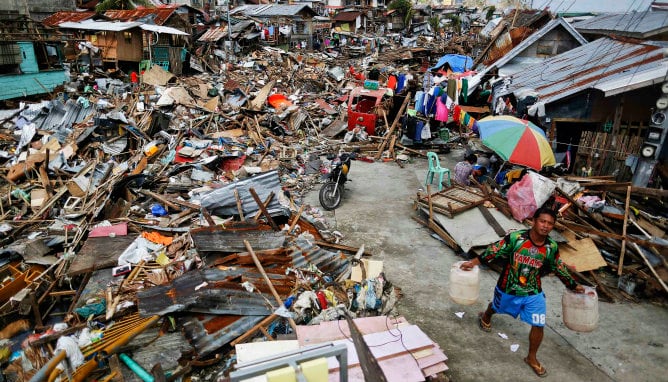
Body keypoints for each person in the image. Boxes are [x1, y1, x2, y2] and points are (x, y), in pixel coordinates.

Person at [460, 207, 585, 378]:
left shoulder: (551, 247)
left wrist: (572, 284)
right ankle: (487, 315)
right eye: (542, 221)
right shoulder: (516, 238)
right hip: (508, 287)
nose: (545, 226)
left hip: (533, 291)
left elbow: (557, 266)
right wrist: (474, 262)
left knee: (539, 323)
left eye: (550, 223)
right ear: (534, 221)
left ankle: (532, 357)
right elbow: (495, 249)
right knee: (497, 307)